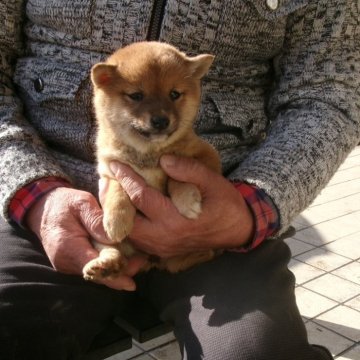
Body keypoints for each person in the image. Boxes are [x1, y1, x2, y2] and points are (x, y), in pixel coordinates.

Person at [0, 0, 359, 359]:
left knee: (261, 351)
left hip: (221, 216)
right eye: (137, 97)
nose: (158, 113)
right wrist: (33, 192)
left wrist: (254, 205)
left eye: (173, 96)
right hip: (58, 202)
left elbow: (329, 92)